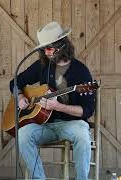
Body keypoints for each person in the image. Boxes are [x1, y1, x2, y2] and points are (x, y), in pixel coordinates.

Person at [10, 22, 95, 180]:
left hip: (72, 124)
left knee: (83, 136)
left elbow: (88, 110)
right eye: (43, 49)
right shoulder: (42, 66)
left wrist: (58, 106)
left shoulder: (81, 72)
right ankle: (39, 178)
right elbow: (15, 82)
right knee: (22, 134)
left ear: (62, 46)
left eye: (49, 48)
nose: (46, 53)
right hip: (45, 124)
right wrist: (20, 96)